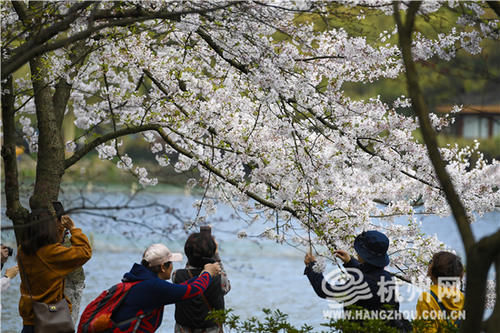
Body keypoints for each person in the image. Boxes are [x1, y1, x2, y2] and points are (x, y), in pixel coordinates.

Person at [108, 243, 222, 333]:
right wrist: (208, 273)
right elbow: (193, 291)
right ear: (163, 267)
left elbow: (180, 288)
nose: (172, 266)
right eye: (171, 262)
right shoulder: (154, 287)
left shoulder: (140, 281)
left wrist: (202, 275)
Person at [17, 209, 92, 333]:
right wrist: (73, 229)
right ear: (48, 230)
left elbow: (47, 248)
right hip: (52, 318)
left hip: (30, 317)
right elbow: (85, 251)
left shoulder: (22, 251)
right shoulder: (51, 253)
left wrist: (59, 230)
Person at [304, 230, 400, 319]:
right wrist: (350, 262)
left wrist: (312, 267)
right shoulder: (388, 278)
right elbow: (370, 275)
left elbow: (326, 291)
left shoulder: (359, 283)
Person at [173, 233, 231, 333]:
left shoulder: (176, 275)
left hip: (183, 328)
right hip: (212, 329)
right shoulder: (219, 278)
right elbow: (226, 287)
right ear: (211, 254)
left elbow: (189, 268)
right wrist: (215, 255)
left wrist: (194, 252)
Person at [415, 251, 464, 333]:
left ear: (434, 269)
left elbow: (425, 330)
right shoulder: (462, 298)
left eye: (431, 262)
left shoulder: (427, 298)